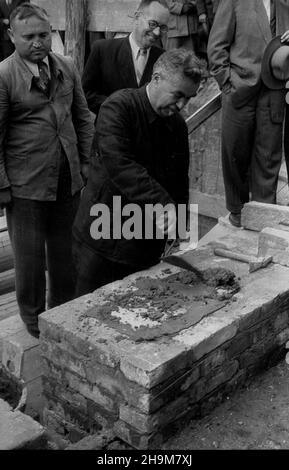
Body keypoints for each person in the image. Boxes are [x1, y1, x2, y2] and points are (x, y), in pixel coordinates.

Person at [73, 48, 204, 296]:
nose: (181, 105)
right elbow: (121, 166)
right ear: (156, 78)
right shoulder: (118, 107)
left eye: (189, 98)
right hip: (101, 239)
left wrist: (182, 231)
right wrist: (164, 205)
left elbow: (179, 181)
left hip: (144, 245)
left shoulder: (177, 126)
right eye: (177, 95)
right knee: (85, 315)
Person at [0, 3, 94, 338]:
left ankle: (63, 312)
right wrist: (2, 187)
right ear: (12, 36)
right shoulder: (4, 75)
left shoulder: (66, 66)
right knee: (28, 259)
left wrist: (85, 161)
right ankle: (33, 319)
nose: (38, 42)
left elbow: (83, 117)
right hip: (26, 184)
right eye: (29, 37)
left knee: (65, 253)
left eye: (44, 34)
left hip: (67, 177)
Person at [207, 0, 289, 228]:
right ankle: (237, 212)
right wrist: (228, 84)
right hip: (240, 90)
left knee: (269, 154)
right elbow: (216, 48)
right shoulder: (234, 2)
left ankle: (264, 213)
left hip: (274, 90)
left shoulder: (284, 5)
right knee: (235, 152)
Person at [82, 0, 170, 118]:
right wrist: (120, 108)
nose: (157, 32)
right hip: (111, 130)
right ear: (137, 17)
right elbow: (86, 94)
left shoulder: (163, 59)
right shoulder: (103, 50)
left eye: (163, 27)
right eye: (153, 24)